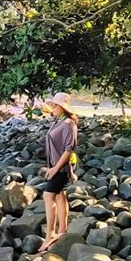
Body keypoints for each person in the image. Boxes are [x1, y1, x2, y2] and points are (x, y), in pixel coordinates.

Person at [38, 92, 78, 252]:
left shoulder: (69, 123)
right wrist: (51, 165)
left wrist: (55, 168)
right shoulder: (58, 121)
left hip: (62, 166)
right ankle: (62, 230)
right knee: (60, 195)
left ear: (63, 107)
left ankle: (50, 234)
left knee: (48, 195)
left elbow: (69, 149)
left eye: (55, 105)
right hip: (55, 164)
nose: (52, 108)